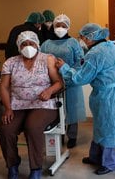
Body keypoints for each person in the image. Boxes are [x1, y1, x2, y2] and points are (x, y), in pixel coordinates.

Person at [55, 23, 115, 175]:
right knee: (101, 126)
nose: (81, 40)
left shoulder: (96, 53)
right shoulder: (109, 46)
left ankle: (109, 163)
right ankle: (95, 157)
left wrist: (64, 68)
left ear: (90, 37)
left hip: (109, 96)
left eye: (82, 37)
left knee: (107, 128)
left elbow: (79, 78)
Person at [0, 31, 63, 179]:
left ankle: (36, 168)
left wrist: (49, 90)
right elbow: (3, 87)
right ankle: (12, 165)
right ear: (19, 46)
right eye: (24, 44)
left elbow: (59, 82)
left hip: (43, 104)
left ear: (37, 44)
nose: (28, 47)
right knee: (6, 130)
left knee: (32, 126)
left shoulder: (47, 59)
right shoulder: (11, 62)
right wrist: (8, 108)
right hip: (17, 104)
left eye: (31, 43)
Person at [40, 14, 86, 149]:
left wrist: (67, 70)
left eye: (63, 26)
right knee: (55, 110)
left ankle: (72, 136)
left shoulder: (73, 43)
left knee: (72, 109)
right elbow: (41, 61)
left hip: (71, 82)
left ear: (68, 27)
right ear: (53, 27)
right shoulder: (46, 44)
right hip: (52, 83)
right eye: (57, 25)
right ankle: (57, 135)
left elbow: (80, 63)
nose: (60, 28)